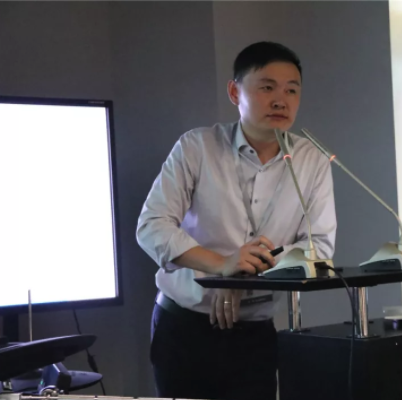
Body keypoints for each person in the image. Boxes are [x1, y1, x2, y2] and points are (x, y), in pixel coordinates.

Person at [136, 41, 337, 400]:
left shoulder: (312, 160)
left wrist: (242, 275)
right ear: (234, 92)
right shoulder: (197, 147)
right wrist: (220, 267)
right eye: (267, 87)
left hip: (254, 333)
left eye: (291, 90)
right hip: (185, 326)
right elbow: (152, 226)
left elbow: (318, 247)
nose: (281, 100)